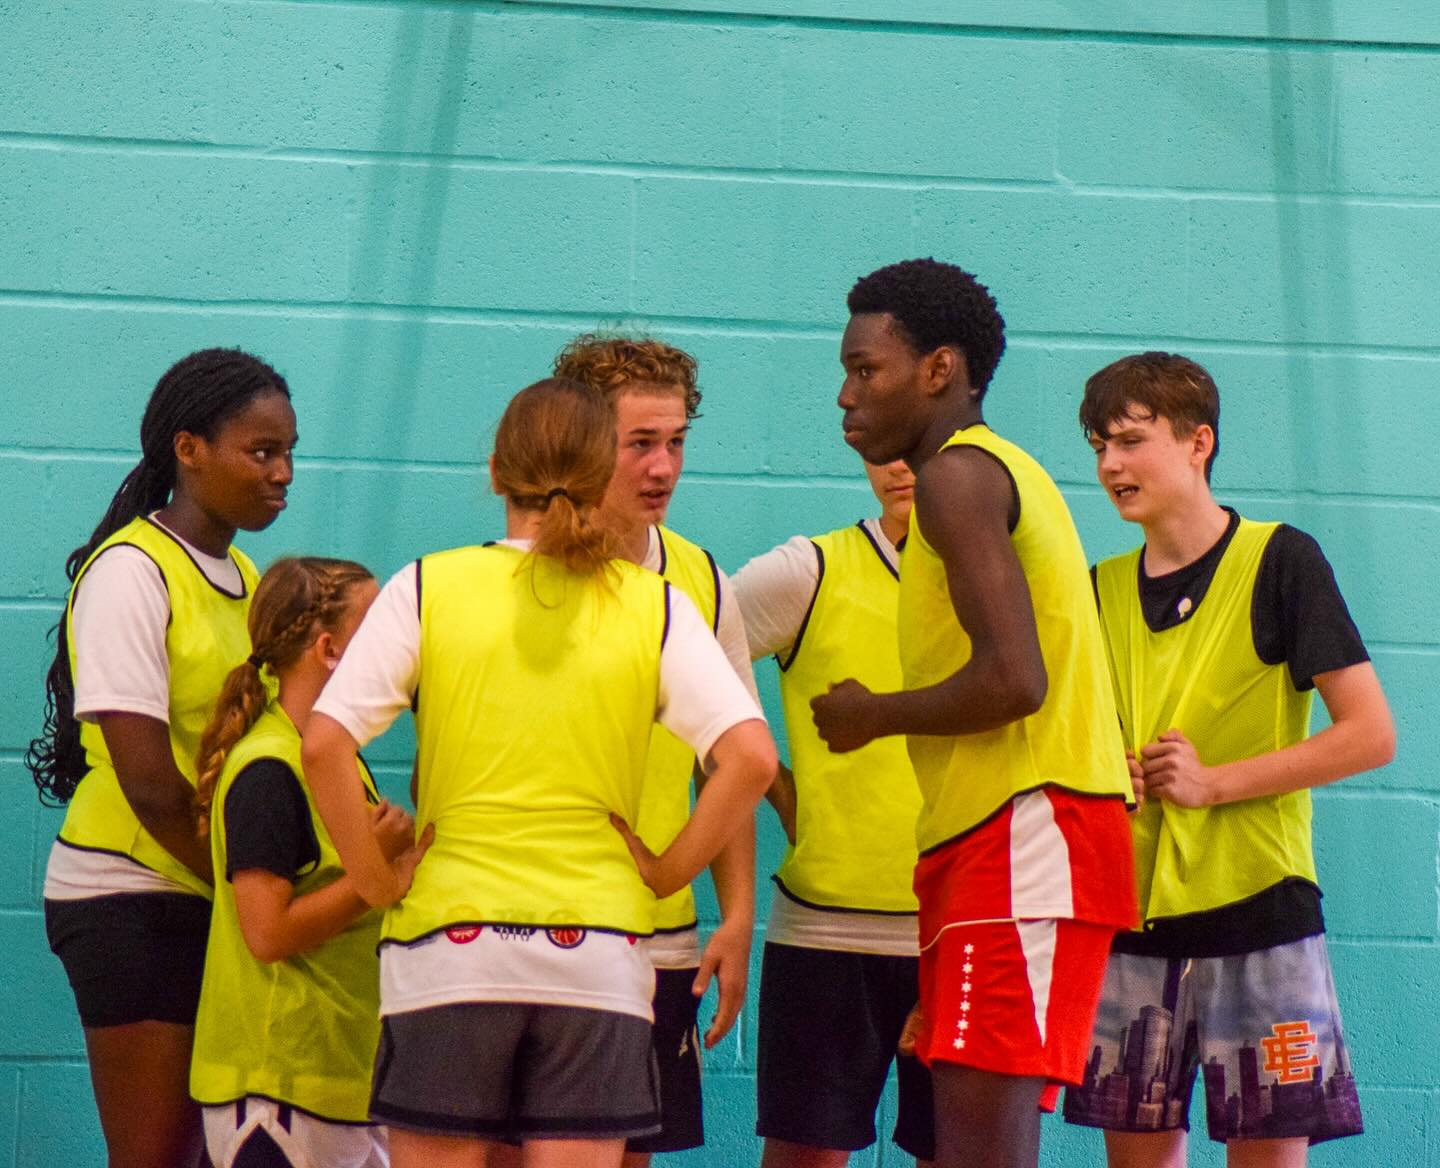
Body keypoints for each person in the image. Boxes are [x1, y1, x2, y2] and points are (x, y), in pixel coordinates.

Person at [301, 377, 776, 1168]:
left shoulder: (427, 586)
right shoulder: (653, 604)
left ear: (494, 471)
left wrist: (375, 883)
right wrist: (665, 873)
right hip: (595, 955)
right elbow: (753, 758)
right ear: (601, 476)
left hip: (448, 947)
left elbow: (322, 745)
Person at [810, 258, 1139, 1168]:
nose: (845, 394)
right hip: (993, 843)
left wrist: (872, 713)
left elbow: (1014, 682)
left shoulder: (960, 478)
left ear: (939, 369)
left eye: (866, 369)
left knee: (982, 1152)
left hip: (1028, 834)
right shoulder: (980, 477)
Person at [1061, 352, 1395, 1167]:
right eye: (1099, 444)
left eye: (1131, 441)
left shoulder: (1280, 560)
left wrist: (1215, 783)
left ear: (1198, 441)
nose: (1110, 464)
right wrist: (1111, 773)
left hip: (1260, 916)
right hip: (1129, 918)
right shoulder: (1094, 589)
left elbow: (1371, 734)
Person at [28, 348, 296, 1168]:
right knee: (153, 1155)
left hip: (201, 889)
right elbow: (147, 781)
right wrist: (248, 893)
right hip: (130, 896)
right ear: (189, 449)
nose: (283, 473)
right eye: (261, 452)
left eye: (290, 453)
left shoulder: (244, 574)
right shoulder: (130, 574)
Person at [553, 334, 760, 1165]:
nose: (663, 467)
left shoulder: (700, 579)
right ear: (575, 442)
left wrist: (736, 916)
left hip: (659, 938)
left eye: (675, 442)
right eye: (640, 444)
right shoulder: (519, 577)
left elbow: (732, 764)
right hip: (537, 928)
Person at [190, 556, 425, 1168]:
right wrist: (377, 875)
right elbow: (267, 932)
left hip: (339, 1081)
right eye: (375, 630)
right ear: (328, 650)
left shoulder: (332, 758)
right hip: (280, 1085)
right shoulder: (270, 769)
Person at [733, 457, 935, 1168]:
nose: (902, 464)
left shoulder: (1009, 582)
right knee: (803, 1157)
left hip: (962, 933)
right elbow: (683, 658)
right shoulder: (808, 571)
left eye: (921, 441)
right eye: (884, 444)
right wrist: (775, 785)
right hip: (823, 928)